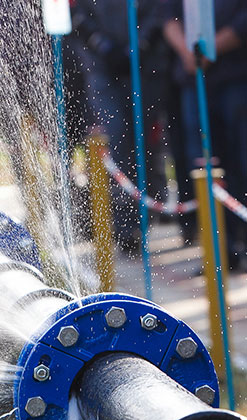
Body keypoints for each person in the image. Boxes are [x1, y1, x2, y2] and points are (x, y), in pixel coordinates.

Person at [71, 0, 169, 254]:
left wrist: (140, 45)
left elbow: (160, 11)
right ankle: (125, 226)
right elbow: (78, 14)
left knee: (145, 145)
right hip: (102, 68)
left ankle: (147, 212)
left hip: (145, 67)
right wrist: (101, 45)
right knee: (116, 142)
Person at [161, 0, 247, 270]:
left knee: (241, 161)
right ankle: (220, 250)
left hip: (237, 75)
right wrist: (189, 51)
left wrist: (212, 47)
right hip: (194, 78)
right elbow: (168, 16)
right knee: (203, 165)